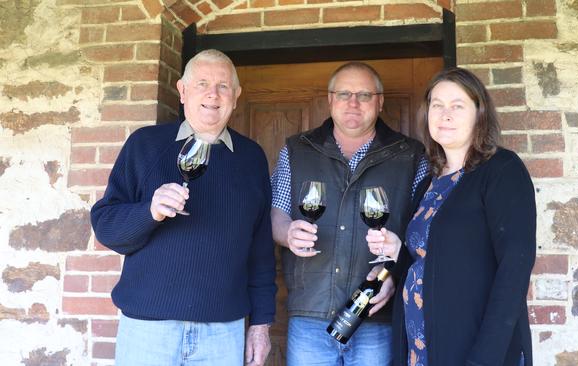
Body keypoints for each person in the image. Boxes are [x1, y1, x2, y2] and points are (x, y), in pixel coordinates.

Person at [90, 49, 277, 366]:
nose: (212, 94)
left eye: (222, 86)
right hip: (149, 329)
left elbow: (260, 248)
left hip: (223, 331)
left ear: (236, 95)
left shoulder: (251, 157)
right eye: (202, 83)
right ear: (182, 91)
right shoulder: (145, 145)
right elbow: (106, 227)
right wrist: (148, 212)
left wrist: (261, 324)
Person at [367, 67, 536, 366]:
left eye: (457, 106)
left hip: (473, 346)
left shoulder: (501, 170)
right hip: (421, 344)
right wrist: (398, 251)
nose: (445, 115)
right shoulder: (429, 182)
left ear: (479, 115)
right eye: (437, 105)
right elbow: (432, 259)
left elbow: (514, 269)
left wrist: (484, 360)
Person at [271, 62, 429, 365]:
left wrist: (394, 276)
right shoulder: (296, 149)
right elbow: (276, 215)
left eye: (364, 95)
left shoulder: (410, 155)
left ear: (380, 101)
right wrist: (288, 233)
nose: (353, 103)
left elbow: (422, 233)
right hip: (310, 314)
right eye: (344, 94)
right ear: (330, 100)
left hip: (376, 315)